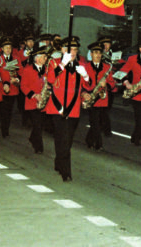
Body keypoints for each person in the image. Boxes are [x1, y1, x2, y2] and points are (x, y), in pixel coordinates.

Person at [45, 36, 91, 181]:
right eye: (69, 50)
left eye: (75, 50)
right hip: (57, 107)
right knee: (62, 138)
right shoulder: (54, 63)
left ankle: (59, 160)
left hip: (74, 108)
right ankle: (66, 171)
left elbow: (88, 87)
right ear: (62, 50)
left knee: (67, 140)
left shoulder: (80, 64)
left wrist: (86, 76)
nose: (72, 53)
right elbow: (51, 80)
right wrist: (62, 65)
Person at [82, 41, 116, 150]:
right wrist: (84, 94)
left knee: (99, 122)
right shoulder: (85, 67)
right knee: (94, 122)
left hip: (102, 99)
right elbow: (81, 83)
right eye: (95, 52)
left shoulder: (107, 67)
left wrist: (106, 84)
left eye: (100, 53)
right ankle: (98, 144)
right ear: (91, 54)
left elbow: (112, 83)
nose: (98, 55)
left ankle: (89, 140)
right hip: (90, 97)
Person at [20, 46, 49, 154]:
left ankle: (33, 138)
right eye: (43, 57)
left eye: (46, 57)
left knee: (41, 124)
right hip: (32, 102)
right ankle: (39, 147)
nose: (45, 59)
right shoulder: (28, 69)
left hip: (44, 102)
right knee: (37, 124)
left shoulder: (47, 70)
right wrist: (34, 95)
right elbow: (23, 86)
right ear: (37, 58)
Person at [0, 37, 21, 138]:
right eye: (6, 48)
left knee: (8, 111)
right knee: (2, 111)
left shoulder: (16, 59)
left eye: (10, 48)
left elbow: (21, 72)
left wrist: (17, 80)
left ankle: (5, 129)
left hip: (13, 89)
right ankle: (3, 128)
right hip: (1, 89)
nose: (8, 50)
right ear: (2, 49)